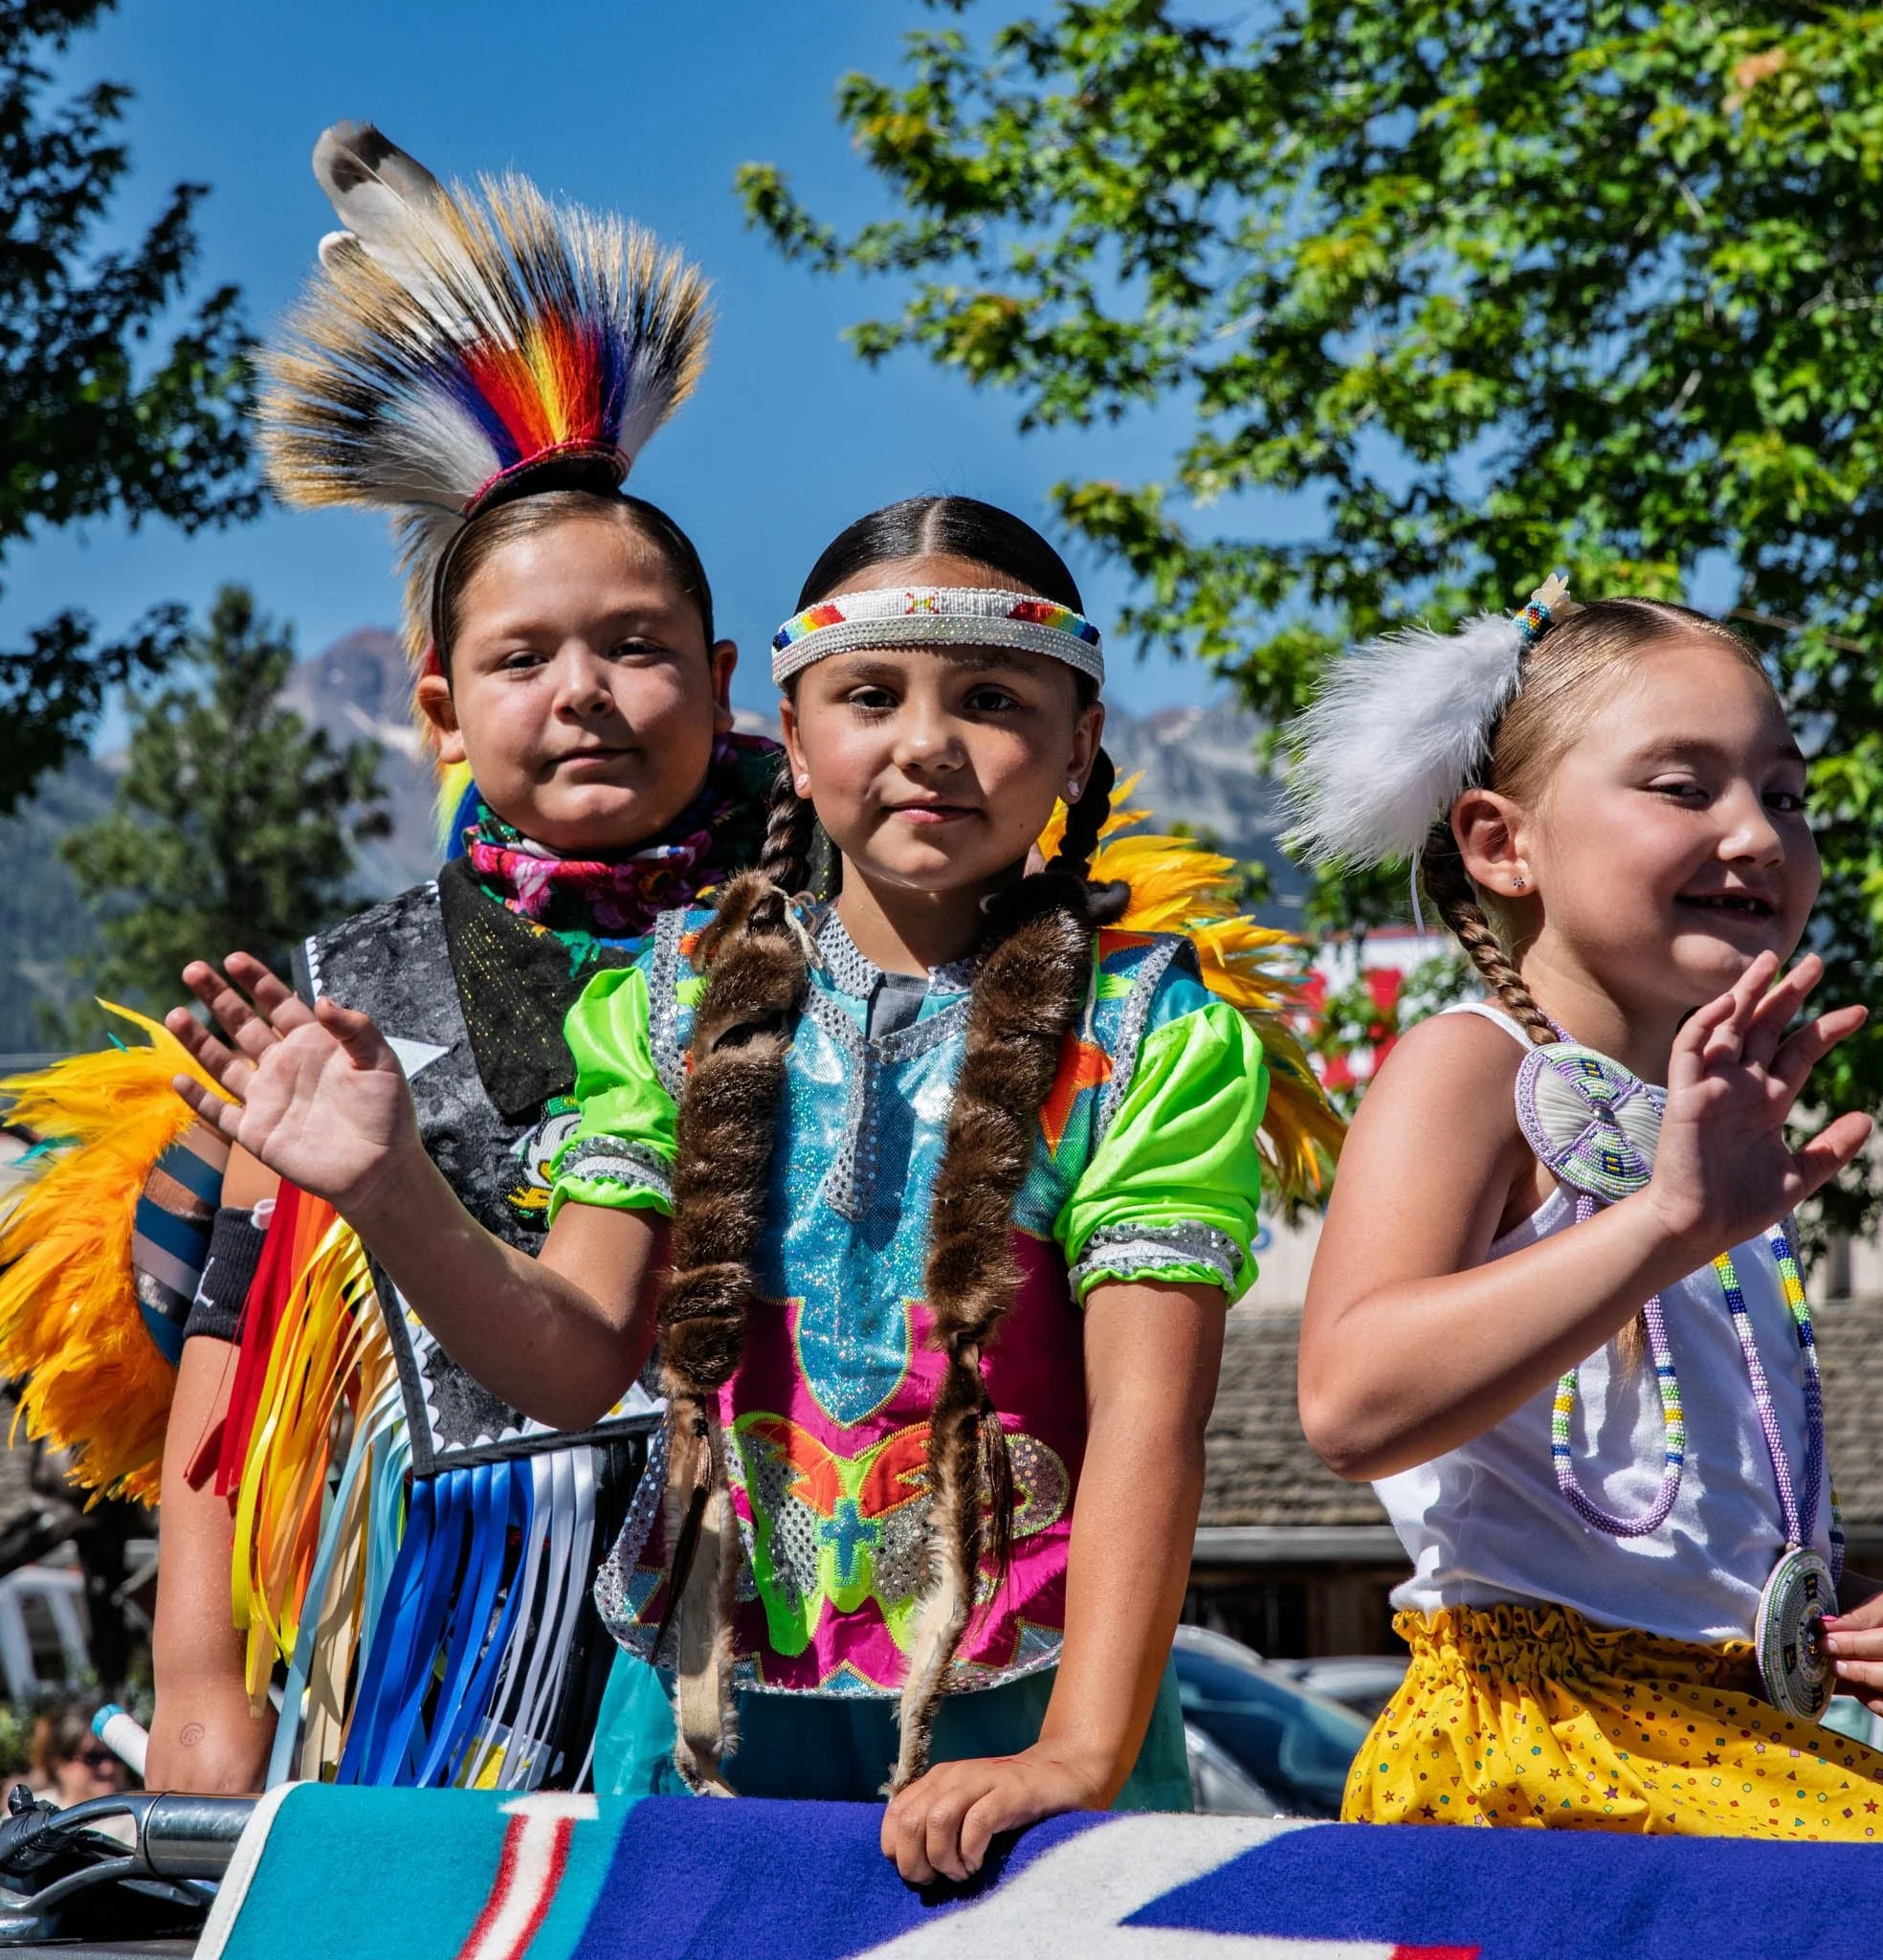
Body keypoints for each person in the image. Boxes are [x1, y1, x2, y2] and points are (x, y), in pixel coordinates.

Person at [166, 492, 1341, 1880]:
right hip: (700, 1735)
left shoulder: (1155, 1036)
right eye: (870, 696)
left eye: (990, 698)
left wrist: (1076, 1756)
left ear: (1081, 743)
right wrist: (393, 1190)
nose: (927, 743)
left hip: (1025, 1720)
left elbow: (1154, 1423)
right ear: (791, 731)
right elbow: (571, 1364)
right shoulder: (667, 1004)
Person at [4, 122, 781, 1798]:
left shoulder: (858, 939)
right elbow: (233, 1431)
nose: (582, 693)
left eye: (636, 646)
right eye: (522, 658)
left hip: (797, 1666)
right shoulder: (341, 1009)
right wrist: (204, 1741)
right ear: (439, 708)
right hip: (444, 1697)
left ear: (724, 681)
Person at [1283, 578, 1883, 1838]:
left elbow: (1680, 1539)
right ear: (1502, 844)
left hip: (1734, 1739)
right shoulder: (1470, 1069)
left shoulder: (1715, 1139)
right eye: (1684, 786)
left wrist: (1873, 1626)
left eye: (1787, 795)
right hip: (1544, 1749)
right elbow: (1351, 1403)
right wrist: (1663, 1225)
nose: (1758, 835)